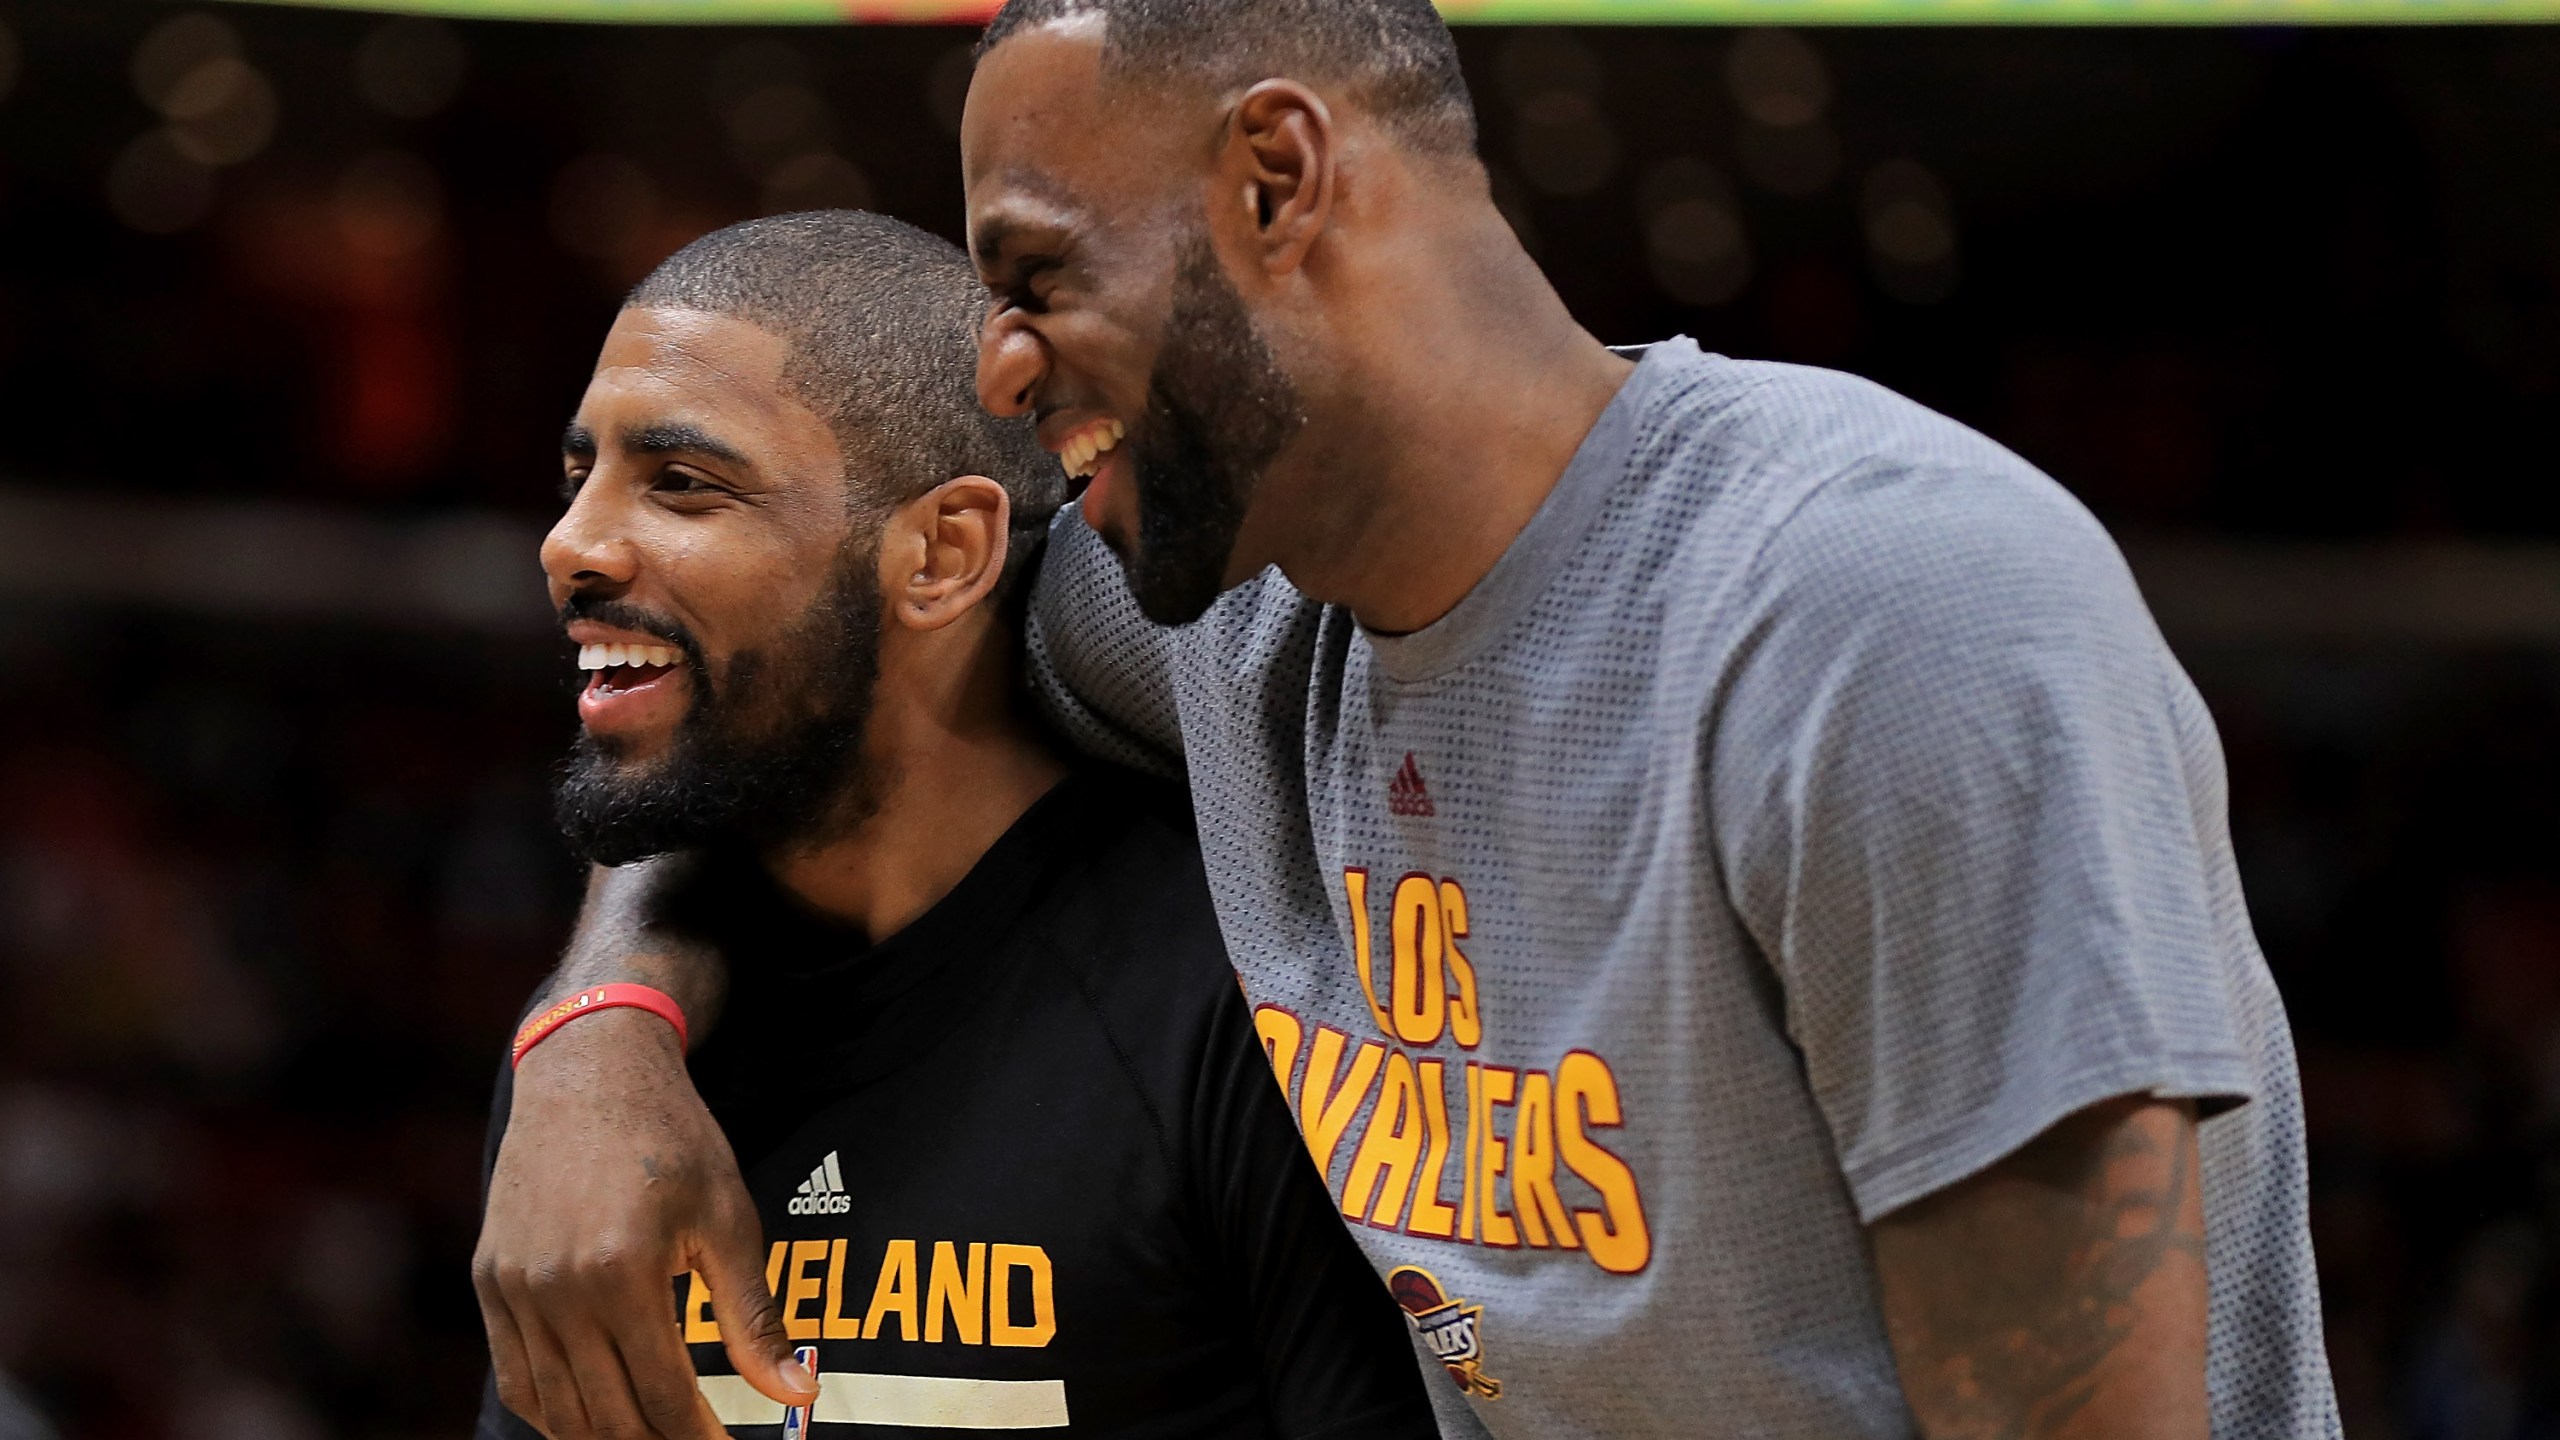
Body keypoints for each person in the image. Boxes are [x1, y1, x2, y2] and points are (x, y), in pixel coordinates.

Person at [475, 4, 2345, 1437]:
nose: (998, 366)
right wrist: (597, 1042)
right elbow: (775, 683)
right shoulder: (1224, 615)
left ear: (1276, 181)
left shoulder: (1880, 614)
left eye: (1037, 272)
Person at [473, 209, 1439, 1440]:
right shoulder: (602, 1077)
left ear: (942, 552)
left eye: (682, 484)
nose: (569, 546)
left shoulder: (1248, 1009)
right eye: (578, 478)